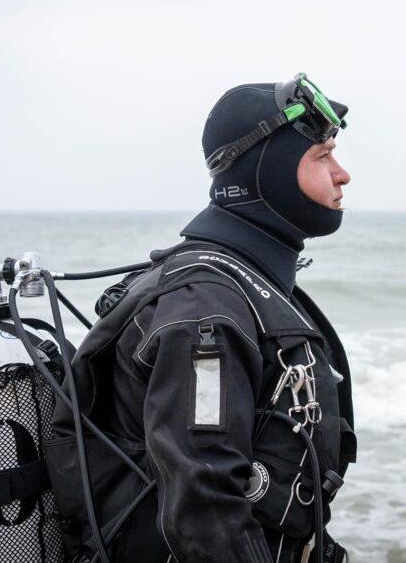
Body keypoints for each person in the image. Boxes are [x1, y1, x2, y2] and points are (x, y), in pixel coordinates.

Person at [47, 74, 357, 563]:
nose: (342, 175)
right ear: (267, 172)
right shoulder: (205, 307)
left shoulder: (241, 280)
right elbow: (206, 506)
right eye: (322, 157)